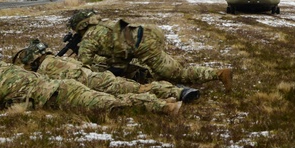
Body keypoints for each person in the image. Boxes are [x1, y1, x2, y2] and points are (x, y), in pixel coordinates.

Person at [0, 49, 182, 116]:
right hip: (64, 88)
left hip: (60, 96)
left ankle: (163, 106)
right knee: (111, 99)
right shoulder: (8, 68)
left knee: (113, 106)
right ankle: (163, 99)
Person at [66, 9, 233, 91]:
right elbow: (118, 50)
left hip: (143, 45)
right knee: (156, 72)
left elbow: (84, 67)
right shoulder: (104, 26)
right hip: (146, 35)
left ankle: (218, 74)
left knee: (176, 74)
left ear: (81, 27)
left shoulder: (89, 37)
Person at [11, 39, 200, 104]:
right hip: (97, 77)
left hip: (92, 84)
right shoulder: (58, 59)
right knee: (134, 87)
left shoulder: (43, 70)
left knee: (133, 92)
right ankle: (175, 92)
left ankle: (173, 94)